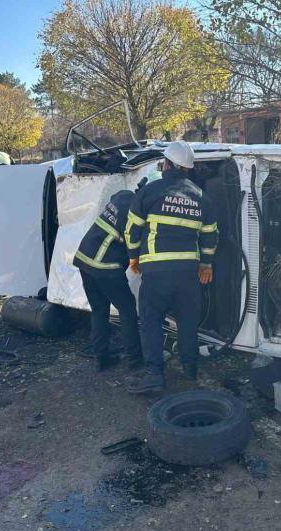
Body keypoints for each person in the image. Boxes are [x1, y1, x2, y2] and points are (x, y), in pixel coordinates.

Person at [123, 141, 219, 393]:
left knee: (151, 321)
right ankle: (190, 369)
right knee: (188, 322)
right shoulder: (202, 198)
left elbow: (132, 230)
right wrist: (206, 264)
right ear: (186, 168)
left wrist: (133, 258)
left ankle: (155, 375)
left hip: (156, 273)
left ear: (167, 165)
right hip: (189, 274)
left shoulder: (151, 191)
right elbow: (210, 236)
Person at [74, 189, 143, 371]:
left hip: (84, 259)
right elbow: (135, 243)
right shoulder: (136, 214)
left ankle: (101, 358)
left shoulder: (123, 197)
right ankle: (135, 359)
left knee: (99, 310)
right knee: (127, 308)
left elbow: (115, 197)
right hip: (106, 266)